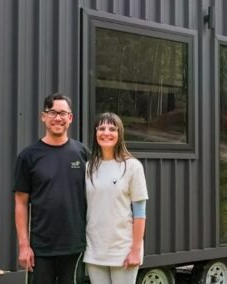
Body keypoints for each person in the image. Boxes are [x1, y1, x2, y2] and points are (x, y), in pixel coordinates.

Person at [14, 93, 88, 283]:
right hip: (41, 248)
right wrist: (24, 245)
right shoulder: (28, 156)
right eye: (52, 112)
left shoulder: (82, 153)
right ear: (43, 116)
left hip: (75, 248)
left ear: (70, 118)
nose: (58, 118)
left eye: (63, 113)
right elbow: (21, 203)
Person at [83, 113, 149, 284]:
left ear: (120, 134)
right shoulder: (89, 167)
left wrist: (135, 250)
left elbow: (140, 213)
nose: (106, 132)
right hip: (95, 250)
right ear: (95, 133)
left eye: (112, 129)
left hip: (123, 251)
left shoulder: (133, 167)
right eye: (102, 128)